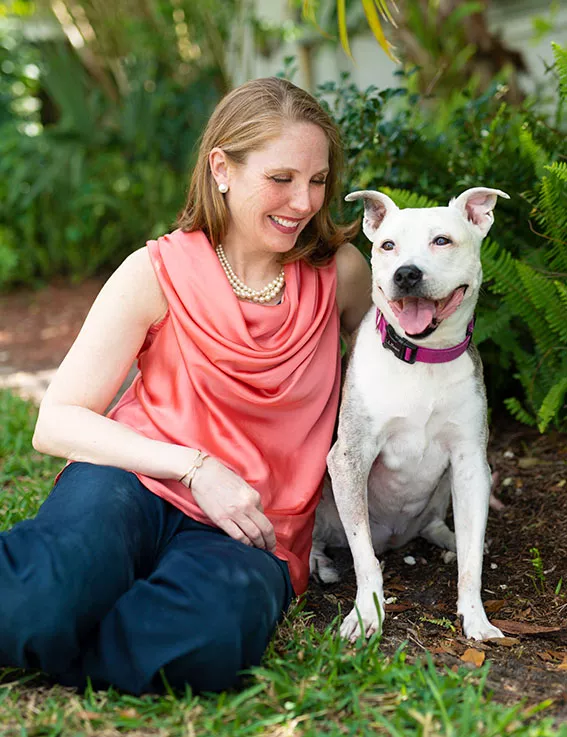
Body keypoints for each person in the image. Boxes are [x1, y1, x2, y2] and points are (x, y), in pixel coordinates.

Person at [0, 77, 371, 695]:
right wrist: (195, 467)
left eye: (318, 180)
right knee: (38, 598)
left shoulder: (343, 277)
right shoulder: (156, 270)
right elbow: (56, 420)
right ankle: (55, 614)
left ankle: (63, 638)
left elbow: (395, 367)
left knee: (206, 644)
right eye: (281, 179)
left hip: (252, 524)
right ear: (221, 169)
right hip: (132, 481)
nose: (304, 201)